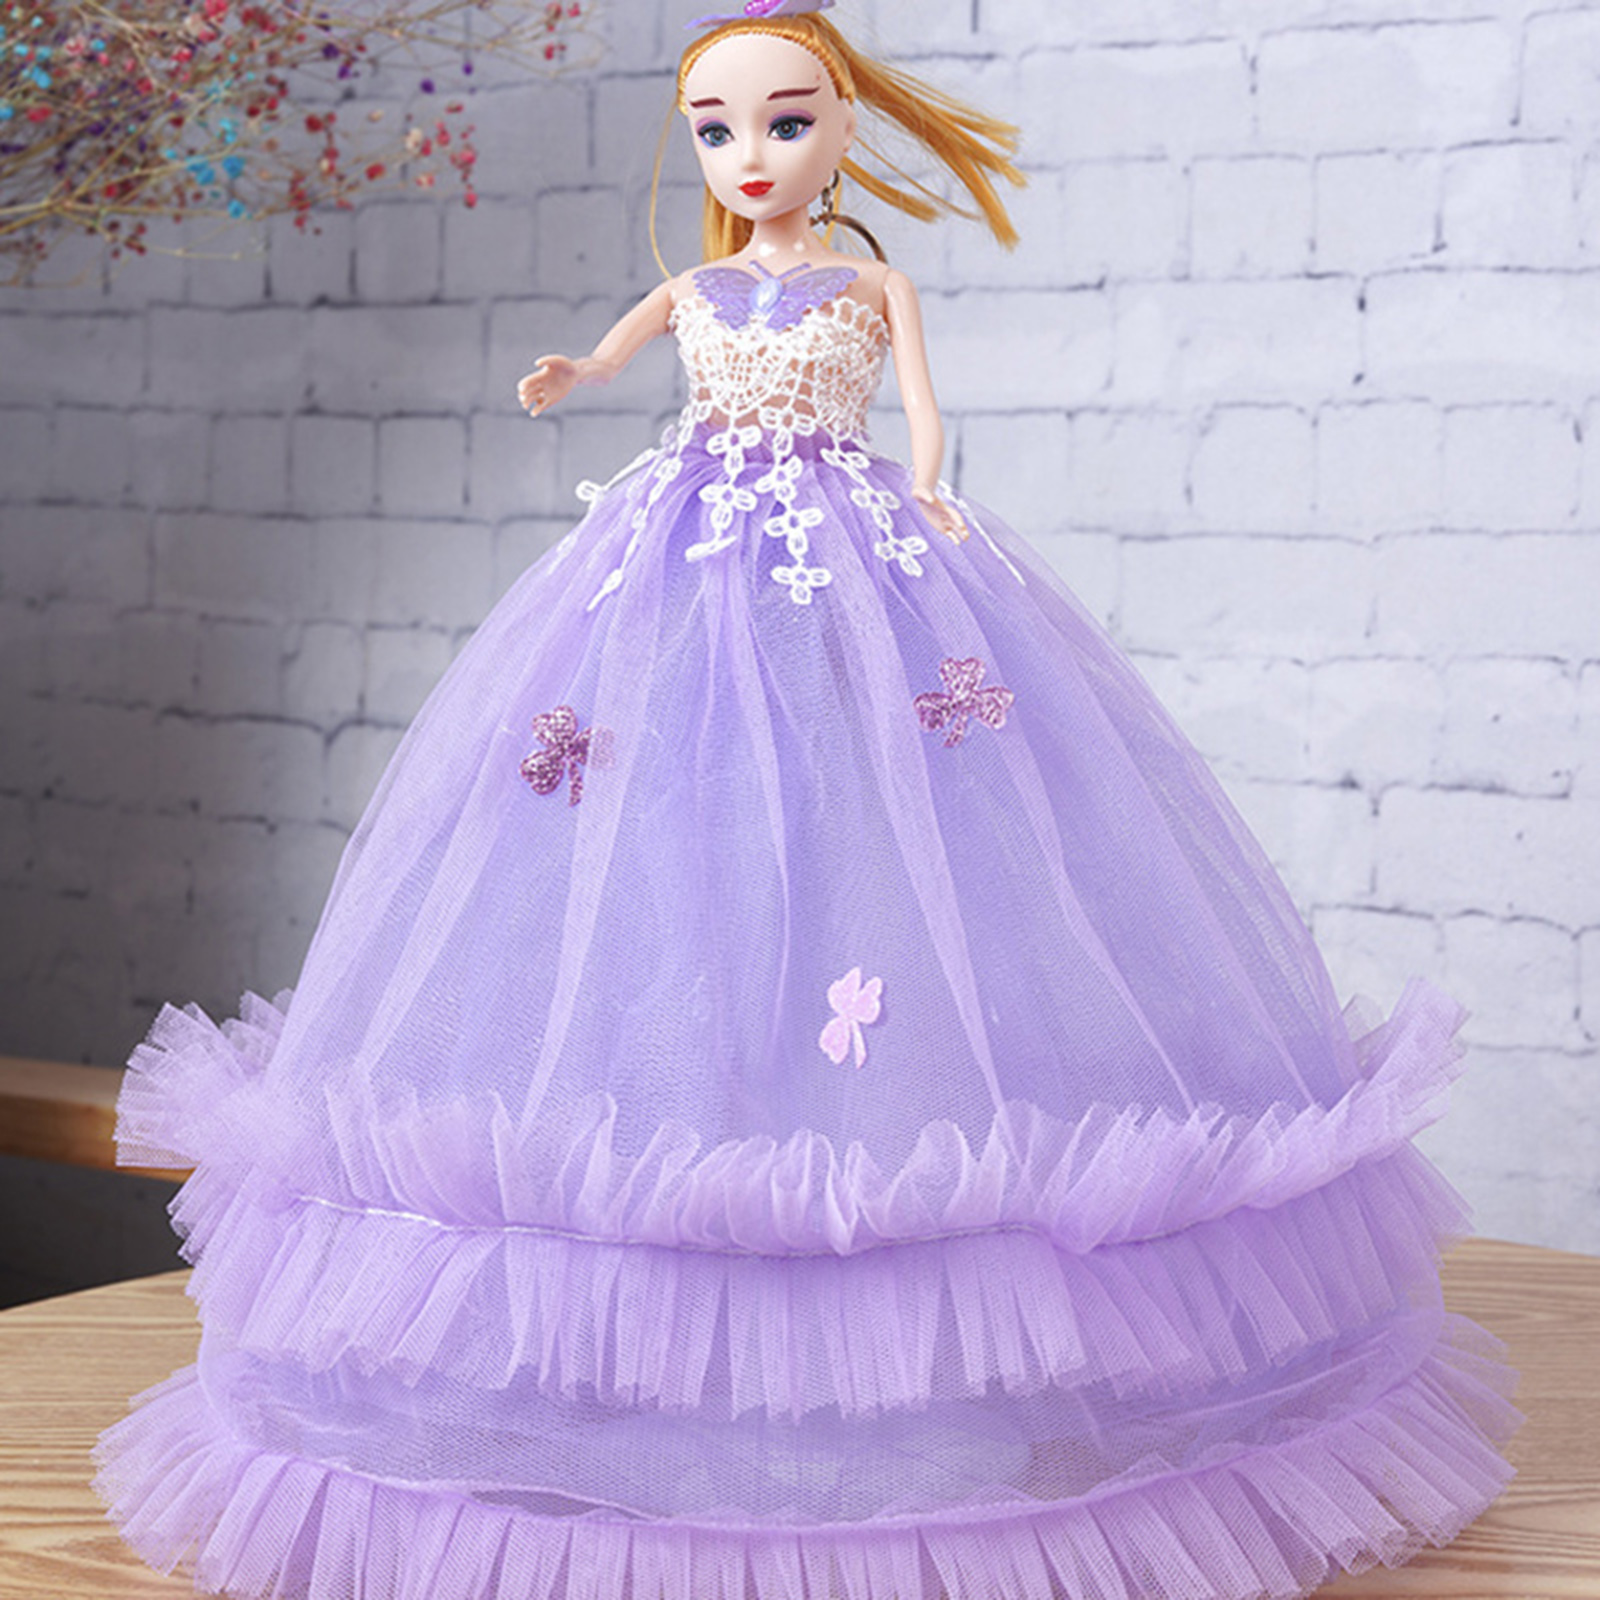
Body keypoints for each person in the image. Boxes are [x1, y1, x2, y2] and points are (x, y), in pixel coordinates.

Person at [96, 4, 1519, 1598]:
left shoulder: (868, 285)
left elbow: (920, 410)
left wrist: (931, 487)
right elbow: (617, 360)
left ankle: (908, 1346)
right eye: (716, 129)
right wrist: (575, 371)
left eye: (784, 120)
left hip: (859, 559)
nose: (750, 153)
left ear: (843, 126)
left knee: (881, 835)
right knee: (661, 838)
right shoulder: (696, 292)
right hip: (678, 564)